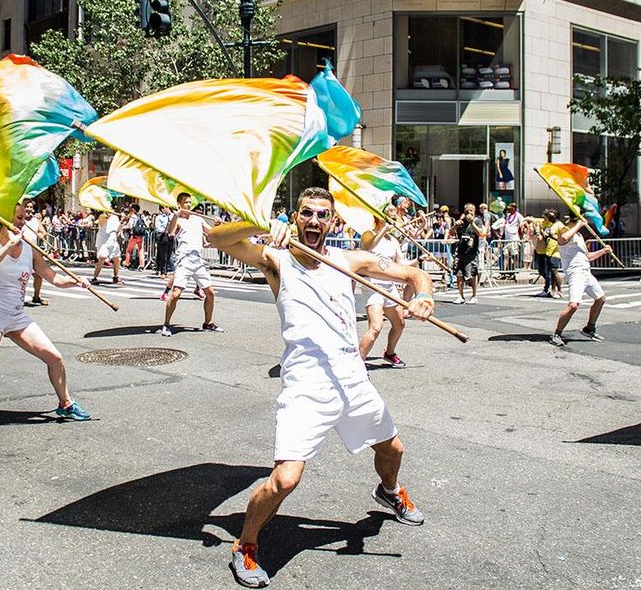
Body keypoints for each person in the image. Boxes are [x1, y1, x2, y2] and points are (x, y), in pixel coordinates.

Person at [207, 187, 434, 588]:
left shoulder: (349, 260)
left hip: (351, 374)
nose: (314, 221)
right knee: (286, 480)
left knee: (393, 449)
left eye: (322, 215)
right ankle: (245, 544)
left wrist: (424, 297)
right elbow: (218, 239)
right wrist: (260, 225)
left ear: (333, 221)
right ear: (295, 218)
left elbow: (414, 274)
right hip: (306, 382)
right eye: (306, 213)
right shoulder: (275, 259)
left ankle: (389, 491)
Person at [0, 205, 92, 441]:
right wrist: (10, 244)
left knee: (55, 357)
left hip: (16, 314)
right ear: (3, 220)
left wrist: (76, 282)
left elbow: (53, 278)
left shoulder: (30, 248)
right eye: (19, 218)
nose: (23, 221)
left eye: (24, 218)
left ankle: (66, 403)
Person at [158, 192, 221, 337]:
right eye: (186, 202)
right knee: (175, 294)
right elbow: (170, 232)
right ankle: (166, 324)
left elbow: (211, 233)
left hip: (198, 260)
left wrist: (217, 224)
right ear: (179, 204)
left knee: (210, 292)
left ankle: (208, 323)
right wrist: (175, 215)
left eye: (189, 202)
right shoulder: (178, 220)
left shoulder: (197, 219)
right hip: (184, 260)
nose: (188, 205)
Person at [358, 209, 410, 368]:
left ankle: (389, 352)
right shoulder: (368, 234)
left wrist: (420, 260)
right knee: (375, 327)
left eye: (394, 214)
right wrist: (384, 229)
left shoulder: (393, 240)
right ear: (378, 216)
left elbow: (402, 264)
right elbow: (367, 248)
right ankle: (356, 363)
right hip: (372, 286)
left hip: (389, 287)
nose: (393, 216)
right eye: (389, 213)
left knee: (399, 323)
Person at [549, 219, 611, 347]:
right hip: (575, 272)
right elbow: (563, 238)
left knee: (600, 299)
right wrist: (579, 224)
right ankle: (557, 333)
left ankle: (589, 328)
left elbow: (587, 256)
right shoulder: (564, 233)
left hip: (586, 272)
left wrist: (603, 251)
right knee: (574, 305)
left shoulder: (579, 236)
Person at [526, 209, 564, 298]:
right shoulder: (549, 224)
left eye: (549, 216)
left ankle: (559, 290)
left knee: (554, 271)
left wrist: (552, 237)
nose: (546, 217)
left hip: (555, 251)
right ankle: (552, 290)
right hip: (548, 250)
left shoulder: (559, 225)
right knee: (550, 270)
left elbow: (563, 237)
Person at [451, 203, 483, 304]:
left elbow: (480, 233)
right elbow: (451, 233)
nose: (468, 212)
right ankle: (460, 295)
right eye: (467, 210)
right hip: (460, 250)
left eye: (471, 210)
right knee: (459, 274)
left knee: (471, 274)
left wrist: (472, 223)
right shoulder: (461, 222)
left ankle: (474, 295)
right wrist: (455, 226)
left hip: (471, 252)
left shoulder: (477, 221)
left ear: (474, 211)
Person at [22, 200, 49, 306]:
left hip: (33, 250)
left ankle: (36, 297)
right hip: (21, 250)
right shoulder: (20, 220)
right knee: (21, 275)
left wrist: (41, 235)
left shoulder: (35, 220)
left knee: (38, 275)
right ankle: (17, 297)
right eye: (27, 207)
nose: (29, 209)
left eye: (31, 207)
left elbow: (43, 231)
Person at [90, 209, 122, 284]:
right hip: (103, 241)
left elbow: (118, 229)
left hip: (113, 240)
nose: (110, 212)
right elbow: (100, 222)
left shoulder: (115, 217)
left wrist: (123, 221)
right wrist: (106, 216)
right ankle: (95, 277)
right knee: (102, 258)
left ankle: (116, 277)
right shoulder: (102, 216)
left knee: (117, 259)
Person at [499, 202, 524, 275]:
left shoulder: (518, 215)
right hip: (507, 239)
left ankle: (514, 271)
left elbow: (523, 222)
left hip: (514, 239)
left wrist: (522, 233)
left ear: (514, 208)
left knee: (514, 255)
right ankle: (503, 272)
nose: (509, 209)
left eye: (510, 208)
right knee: (505, 255)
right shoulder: (508, 215)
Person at [123, 205, 148, 270]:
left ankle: (126, 263)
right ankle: (142, 265)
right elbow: (146, 225)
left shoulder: (133, 216)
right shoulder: (142, 216)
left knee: (128, 250)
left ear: (134, 209)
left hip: (134, 235)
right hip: (141, 235)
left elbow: (130, 226)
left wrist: (123, 227)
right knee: (141, 250)